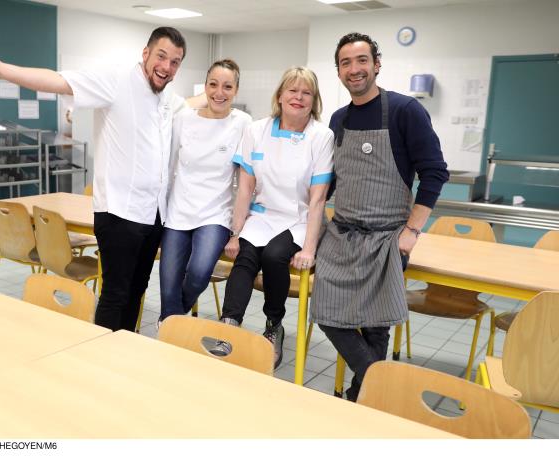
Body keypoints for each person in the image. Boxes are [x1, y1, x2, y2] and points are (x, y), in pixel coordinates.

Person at [0, 27, 193, 332]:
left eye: (175, 62)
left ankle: (126, 350)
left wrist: (222, 100)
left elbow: (195, 105)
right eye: (161, 56)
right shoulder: (116, 81)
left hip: (153, 213)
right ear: (145, 54)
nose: (167, 67)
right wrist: (1, 69)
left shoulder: (167, 96)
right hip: (119, 212)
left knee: (137, 290)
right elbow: (58, 81)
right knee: (116, 293)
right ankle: (104, 354)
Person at [311, 32, 449, 401]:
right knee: (326, 313)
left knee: (375, 327)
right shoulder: (338, 120)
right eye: (345, 63)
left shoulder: (405, 111)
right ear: (338, 71)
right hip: (342, 235)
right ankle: (380, 385)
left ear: (376, 64)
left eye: (361, 61)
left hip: (390, 236)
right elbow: (331, 181)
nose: (354, 69)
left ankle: (362, 398)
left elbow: (435, 172)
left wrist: (412, 231)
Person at [216, 67, 334, 368]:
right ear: (280, 96)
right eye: (292, 91)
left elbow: (318, 198)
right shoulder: (257, 130)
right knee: (244, 256)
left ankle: (273, 325)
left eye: (306, 92)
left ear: (314, 100)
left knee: (274, 257)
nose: (298, 97)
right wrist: (235, 232)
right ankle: (228, 325)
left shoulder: (321, 136)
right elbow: (245, 187)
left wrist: (309, 249)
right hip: (263, 215)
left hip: (299, 218)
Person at [159, 59, 251, 324]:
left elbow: (247, 179)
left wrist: (238, 229)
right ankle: (171, 329)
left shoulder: (242, 122)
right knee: (168, 283)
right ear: (205, 86)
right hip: (178, 211)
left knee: (199, 273)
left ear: (236, 90)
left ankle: (170, 321)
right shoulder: (184, 119)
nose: (219, 92)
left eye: (227, 86)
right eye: (213, 84)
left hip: (216, 214)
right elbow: (168, 165)